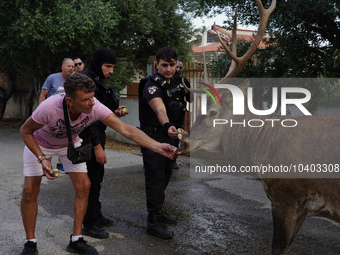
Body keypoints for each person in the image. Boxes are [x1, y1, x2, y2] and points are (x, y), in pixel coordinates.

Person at [19, 73, 178, 255]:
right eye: (85, 99)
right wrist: (42, 158)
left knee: (85, 186)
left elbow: (126, 129)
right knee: (30, 190)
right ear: (70, 101)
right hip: (41, 145)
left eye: (92, 97)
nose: (91, 102)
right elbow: (25, 131)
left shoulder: (95, 106)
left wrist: (158, 147)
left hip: (70, 145)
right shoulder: (49, 107)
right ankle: (30, 242)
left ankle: (76, 239)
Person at [79, 47, 127, 239]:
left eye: (113, 67)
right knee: (90, 180)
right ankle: (89, 223)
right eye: (108, 66)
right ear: (98, 64)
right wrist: (97, 146)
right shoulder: (86, 82)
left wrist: (115, 111)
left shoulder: (97, 80)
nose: (111, 71)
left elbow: (102, 108)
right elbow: (87, 119)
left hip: (97, 134)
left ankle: (95, 214)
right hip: (88, 138)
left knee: (97, 178)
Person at [138, 46, 185, 239]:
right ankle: (153, 221)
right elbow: (159, 109)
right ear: (157, 65)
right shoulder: (151, 85)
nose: (168, 69)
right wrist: (167, 125)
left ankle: (159, 209)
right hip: (153, 136)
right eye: (164, 65)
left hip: (169, 135)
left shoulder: (177, 82)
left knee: (166, 174)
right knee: (155, 177)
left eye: (172, 65)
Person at [39, 58, 75, 173]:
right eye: (69, 66)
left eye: (73, 67)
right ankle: (47, 167)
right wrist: (41, 111)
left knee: (64, 139)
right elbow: (43, 94)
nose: (71, 68)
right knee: (48, 139)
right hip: (50, 114)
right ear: (62, 67)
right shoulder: (52, 78)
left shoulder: (74, 79)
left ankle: (60, 164)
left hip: (66, 115)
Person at [170, 59, 193, 169]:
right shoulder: (167, 80)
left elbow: (191, 99)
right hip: (168, 113)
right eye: (177, 67)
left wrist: (187, 93)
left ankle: (173, 160)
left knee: (177, 136)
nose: (178, 70)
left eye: (180, 68)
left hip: (179, 115)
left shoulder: (184, 81)